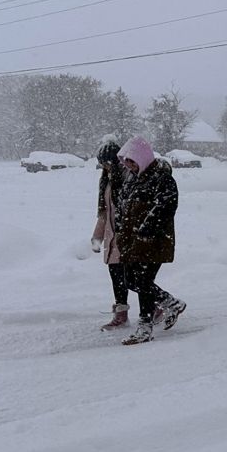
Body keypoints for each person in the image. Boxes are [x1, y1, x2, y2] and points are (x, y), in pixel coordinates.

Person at [115, 136, 187, 345]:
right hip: (132, 241)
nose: (128, 165)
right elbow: (123, 207)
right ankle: (171, 303)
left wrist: (145, 231)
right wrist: (121, 231)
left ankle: (145, 327)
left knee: (144, 282)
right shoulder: (132, 179)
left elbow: (165, 208)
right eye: (126, 161)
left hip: (154, 242)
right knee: (130, 280)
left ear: (142, 157)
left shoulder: (161, 178)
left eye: (132, 160)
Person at [90, 138, 130, 331]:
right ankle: (121, 314)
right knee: (117, 277)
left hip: (126, 237)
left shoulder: (127, 178)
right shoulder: (106, 181)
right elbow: (104, 213)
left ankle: (158, 303)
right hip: (112, 238)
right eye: (101, 163)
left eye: (106, 162)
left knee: (134, 278)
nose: (103, 167)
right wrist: (97, 237)